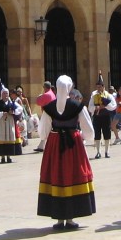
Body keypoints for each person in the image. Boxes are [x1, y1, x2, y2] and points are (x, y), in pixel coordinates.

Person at [37, 74, 95, 231]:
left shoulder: (49, 108)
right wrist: (79, 135)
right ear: (70, 88)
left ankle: (59, 219)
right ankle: (70, 218)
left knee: (56, 175)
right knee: (72, 174)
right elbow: (89, 133)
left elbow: (42, 132)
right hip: (73, 144)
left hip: (55, 144)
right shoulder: (78, 106)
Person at [0, 81, 23, 163]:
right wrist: (2, 113)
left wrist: (13, 112)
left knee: (9, 138)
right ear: (1, 94)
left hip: (10, 122)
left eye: (7, 93)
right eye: (4, 93)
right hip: (1, 123)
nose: (6, 95)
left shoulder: (12, 103)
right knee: (2, 139)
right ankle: (2, 157)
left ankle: (9, 156)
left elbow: (20, 109)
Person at [88, 75, 116, 159]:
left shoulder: (108, 95)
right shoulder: (94, 95)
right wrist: (95, 107)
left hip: (106, 117)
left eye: (100, 87)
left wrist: (105, 106)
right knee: (97, 134)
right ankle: (98, 152)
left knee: (107, 133)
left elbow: (114, 106)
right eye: (97, 87)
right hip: (97, 117)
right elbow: (90, 107)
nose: (98, 88)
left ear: (103, 87)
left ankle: (107, 152)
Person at [33, 81, 56, 152]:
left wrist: (40, 96)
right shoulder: (52, 93)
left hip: (47, 114)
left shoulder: (47, 94)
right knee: (46, 129)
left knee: (44, 129)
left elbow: (38, 102)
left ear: (45, 87)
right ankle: (41, 146)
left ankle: (45, 146)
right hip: (51, 114)